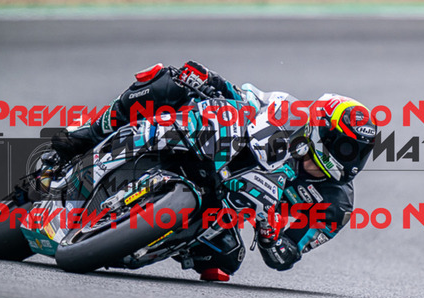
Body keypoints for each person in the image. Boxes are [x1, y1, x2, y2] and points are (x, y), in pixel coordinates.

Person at [51, 61, 377, 281]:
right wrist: (208, 79)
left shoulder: (335, 205)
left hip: (226, 207)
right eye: (347, 148)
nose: (352, 160)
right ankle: (90, 132)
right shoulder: (290, 113)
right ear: (321, 131)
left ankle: (128, 239)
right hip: (216, 152)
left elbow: (285, 256)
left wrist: (268, 233)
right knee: (166, 82)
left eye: (359, 152)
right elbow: (246, 98)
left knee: (225, 261)